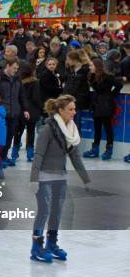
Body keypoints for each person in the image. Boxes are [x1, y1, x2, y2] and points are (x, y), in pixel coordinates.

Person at [30, 95, 90, 263]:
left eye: (74, 109)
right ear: (61, 110)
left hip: (60, 176)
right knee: (44, 211)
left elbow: (75, 156)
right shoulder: (48, 129)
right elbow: (39, 154)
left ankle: (51, 243)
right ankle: (36, 247)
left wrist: (86, 178)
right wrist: (34, 178)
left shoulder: (71, 130)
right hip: (44, 176)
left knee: (57, 211)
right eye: (70, 109)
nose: (74, 112)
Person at [82, 58, 123, 160]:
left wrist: (111, 95)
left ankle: (109, 150)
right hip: (96, 104)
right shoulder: (92, 76)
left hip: (106, 105)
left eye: (91, 65)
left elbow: (119, 85)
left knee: (108, 128)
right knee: (97, 128)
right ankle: (95, 149)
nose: (89, 67)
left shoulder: (107, 77)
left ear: (97, 66)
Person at [0, 59, 29, 167]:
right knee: (1, 136)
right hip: (2, 113)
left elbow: (22, 95)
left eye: (17, 69)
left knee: (10, 136)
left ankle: (4, 156)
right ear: (8, 66)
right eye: (14, 68)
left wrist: (25, 109)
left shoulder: (17, 79)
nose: (16, 70)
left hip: (14, 112)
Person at [14, 65, 41, 162]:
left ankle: (14, 153)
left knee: (18, 131)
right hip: (32, 110)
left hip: (20, 110)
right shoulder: (35, 83)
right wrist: (40, 108)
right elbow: (36, 97)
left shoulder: (17, 82)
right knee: (31, 131)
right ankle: (30, 154)